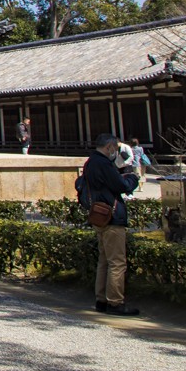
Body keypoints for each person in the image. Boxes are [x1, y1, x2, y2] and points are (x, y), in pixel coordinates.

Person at [82, 133, 141, 316]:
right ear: (109, 147)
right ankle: (115, 302)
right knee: (117, 262)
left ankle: (101, 299)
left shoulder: (90, 162)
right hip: (112, 216)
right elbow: (121, 185)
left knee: (104, 260)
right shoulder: (104, 164)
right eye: (114, 148)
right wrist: (132, 179)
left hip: (99, 214)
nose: (115, 151)